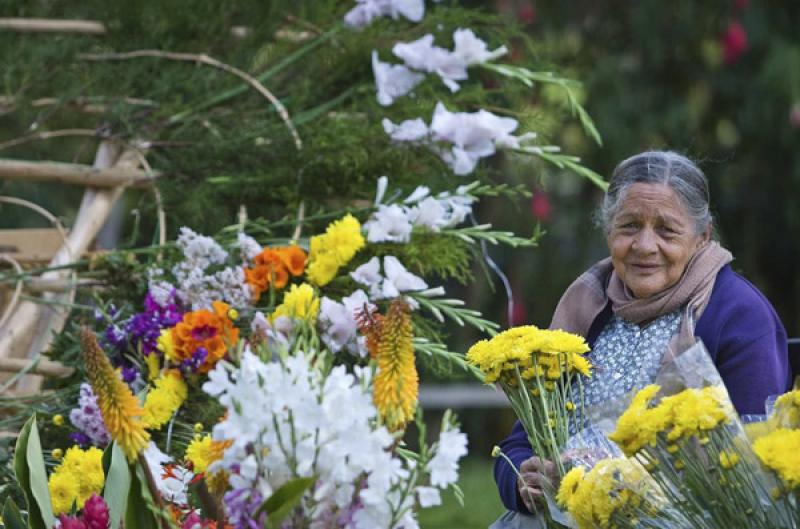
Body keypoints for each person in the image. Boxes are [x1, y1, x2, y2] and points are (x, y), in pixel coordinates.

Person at [492, 151, 792, 527]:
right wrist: (523, 477)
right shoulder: (586, 305)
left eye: (666, 230)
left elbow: (756, 475)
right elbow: (519, 444)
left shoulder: (738, 315)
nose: (645, 246)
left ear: (703, 236)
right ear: (608, 230)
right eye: (630, 226)